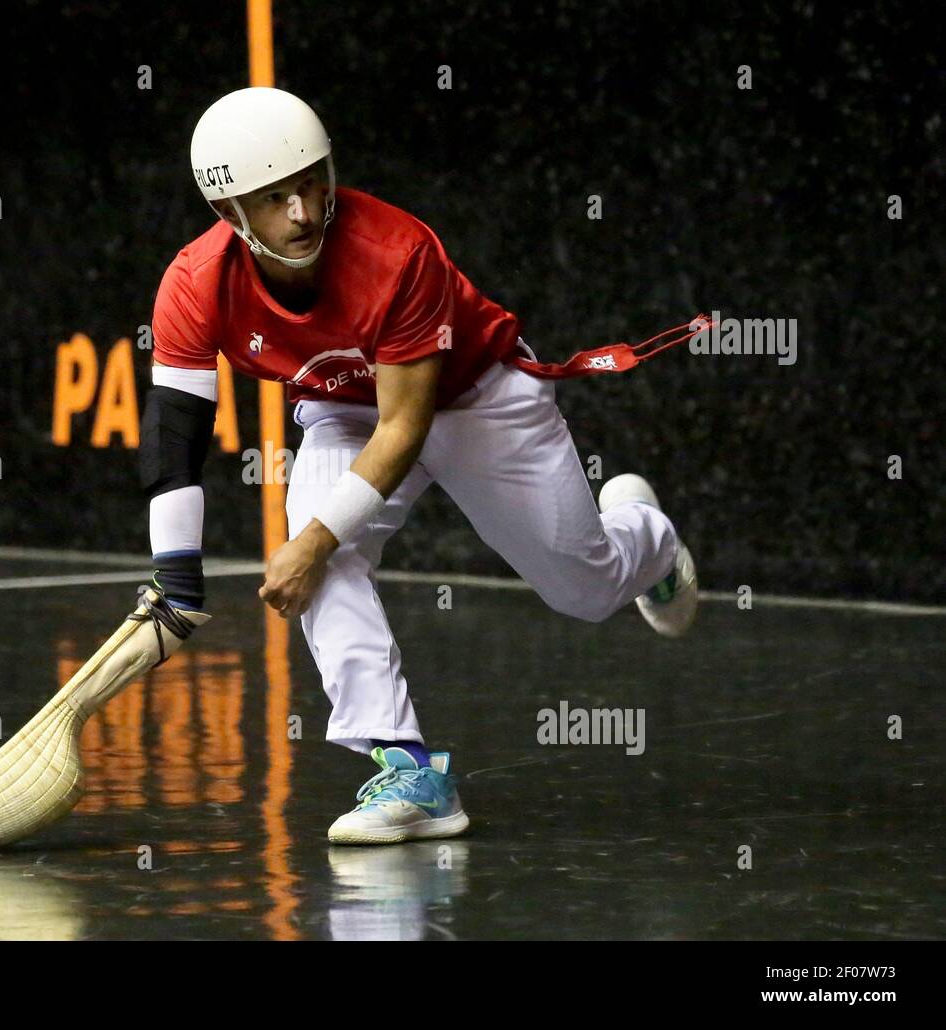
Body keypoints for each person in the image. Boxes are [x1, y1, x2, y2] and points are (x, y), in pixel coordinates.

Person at [139, 87, 697, 845]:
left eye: (311, 182)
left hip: (475, 396)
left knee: (584, 588)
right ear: (229, 211)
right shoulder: (194, 284)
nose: (303, 213)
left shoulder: (396, 252)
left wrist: (311, 544)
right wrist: (176, 580)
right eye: (274, 199)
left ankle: (649, 538)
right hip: (342, 412)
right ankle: (411, 771)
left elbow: (406, 426)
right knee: (321, 550)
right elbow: (176, 438)